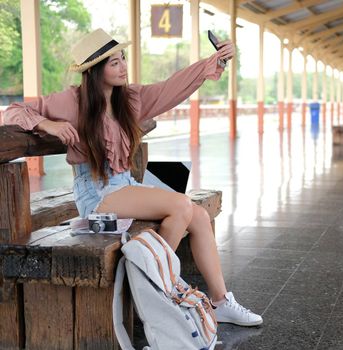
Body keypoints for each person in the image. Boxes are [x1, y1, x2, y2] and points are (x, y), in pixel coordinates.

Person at [4, 28, 262, 327]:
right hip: (96, 194)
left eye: (123, 58)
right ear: (94, 70)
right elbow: (13, 111)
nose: (123, 66)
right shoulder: (71, 101)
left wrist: (211, 62)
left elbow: (171, 87)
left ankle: (221, 302)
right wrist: (48, 124)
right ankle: (159, 295)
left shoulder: (131, 98)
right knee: (180, 205)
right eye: (114, 62)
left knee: (199, 216)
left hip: (126, 185)